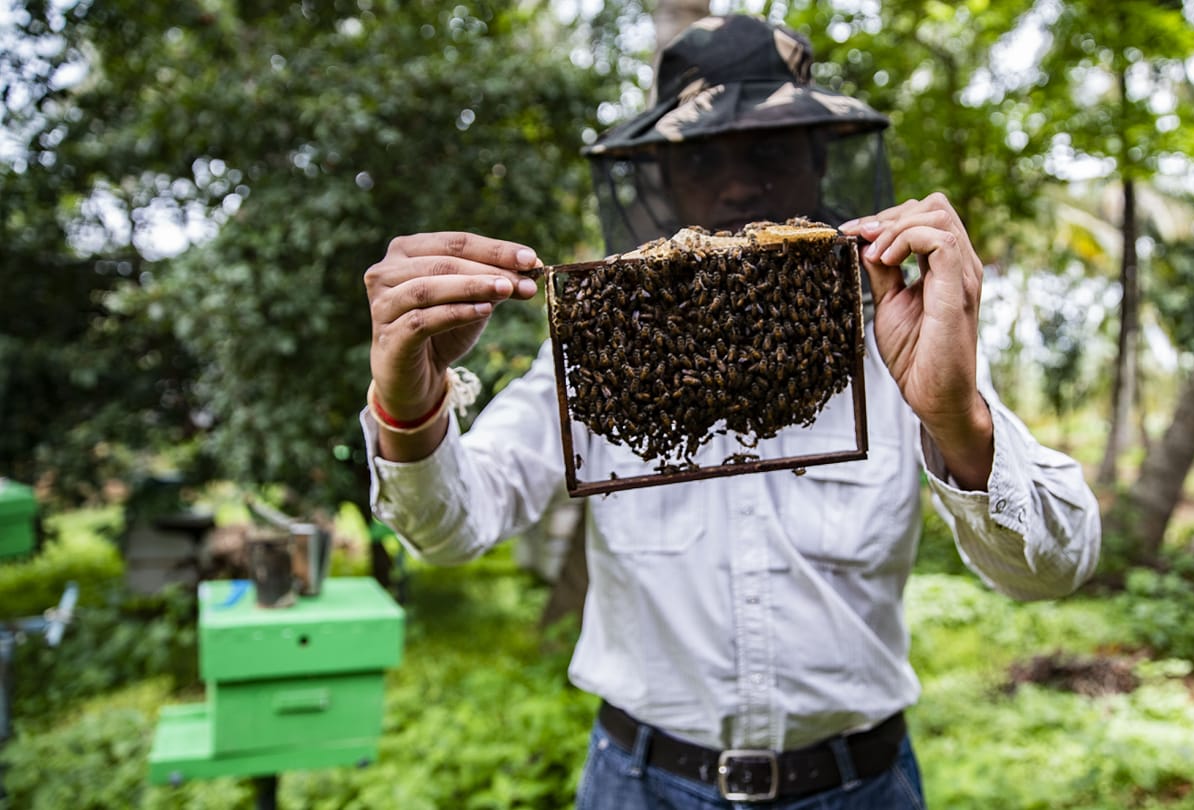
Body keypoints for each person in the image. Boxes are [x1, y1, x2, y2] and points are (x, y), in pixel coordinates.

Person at [361, 14, 1100, 809]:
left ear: (820, 161)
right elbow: (453, 524)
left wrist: (957, 418)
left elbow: (1056, 565)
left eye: (769, 151)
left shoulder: (903, 341)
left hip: (858, 786)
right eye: (703, 157)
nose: (739, 185)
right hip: (641, 783)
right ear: (658, 178)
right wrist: (409, 405)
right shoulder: (595, 349)